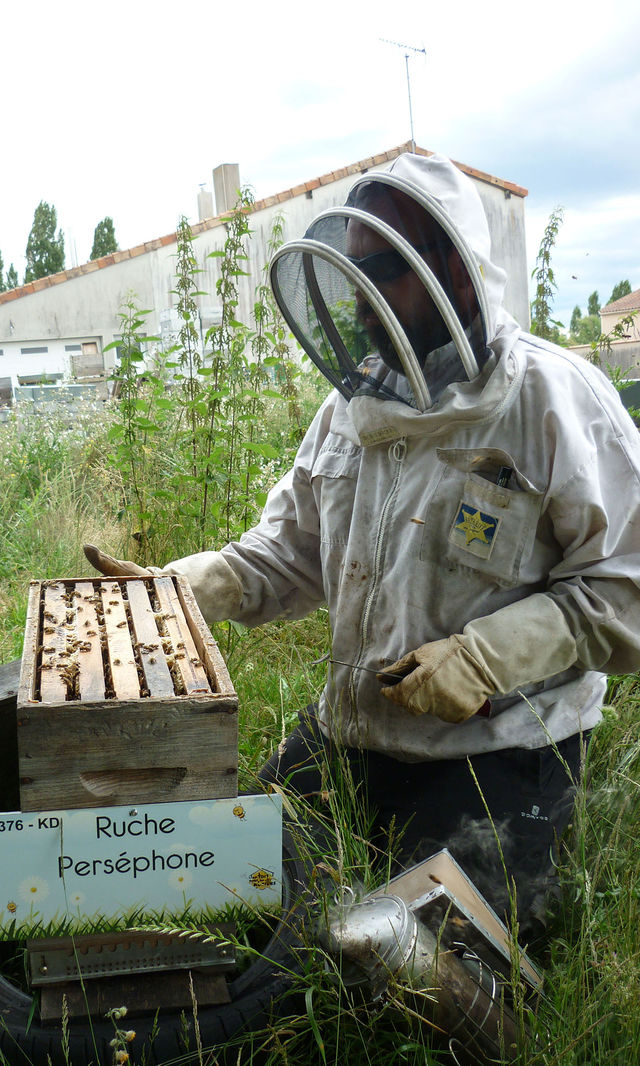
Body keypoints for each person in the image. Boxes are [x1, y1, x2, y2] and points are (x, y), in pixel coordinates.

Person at [86, 153, 640, 940]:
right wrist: (185, 587)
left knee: (412, 964)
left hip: (496, 754)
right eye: (353, 273)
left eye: (384, 270)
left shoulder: (554, 401)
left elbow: (625, 590)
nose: (361, 300)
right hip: (351, 733)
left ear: (452, 265)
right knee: (227, 897)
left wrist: (489, 656)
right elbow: (285, 556)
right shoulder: (352, 409)